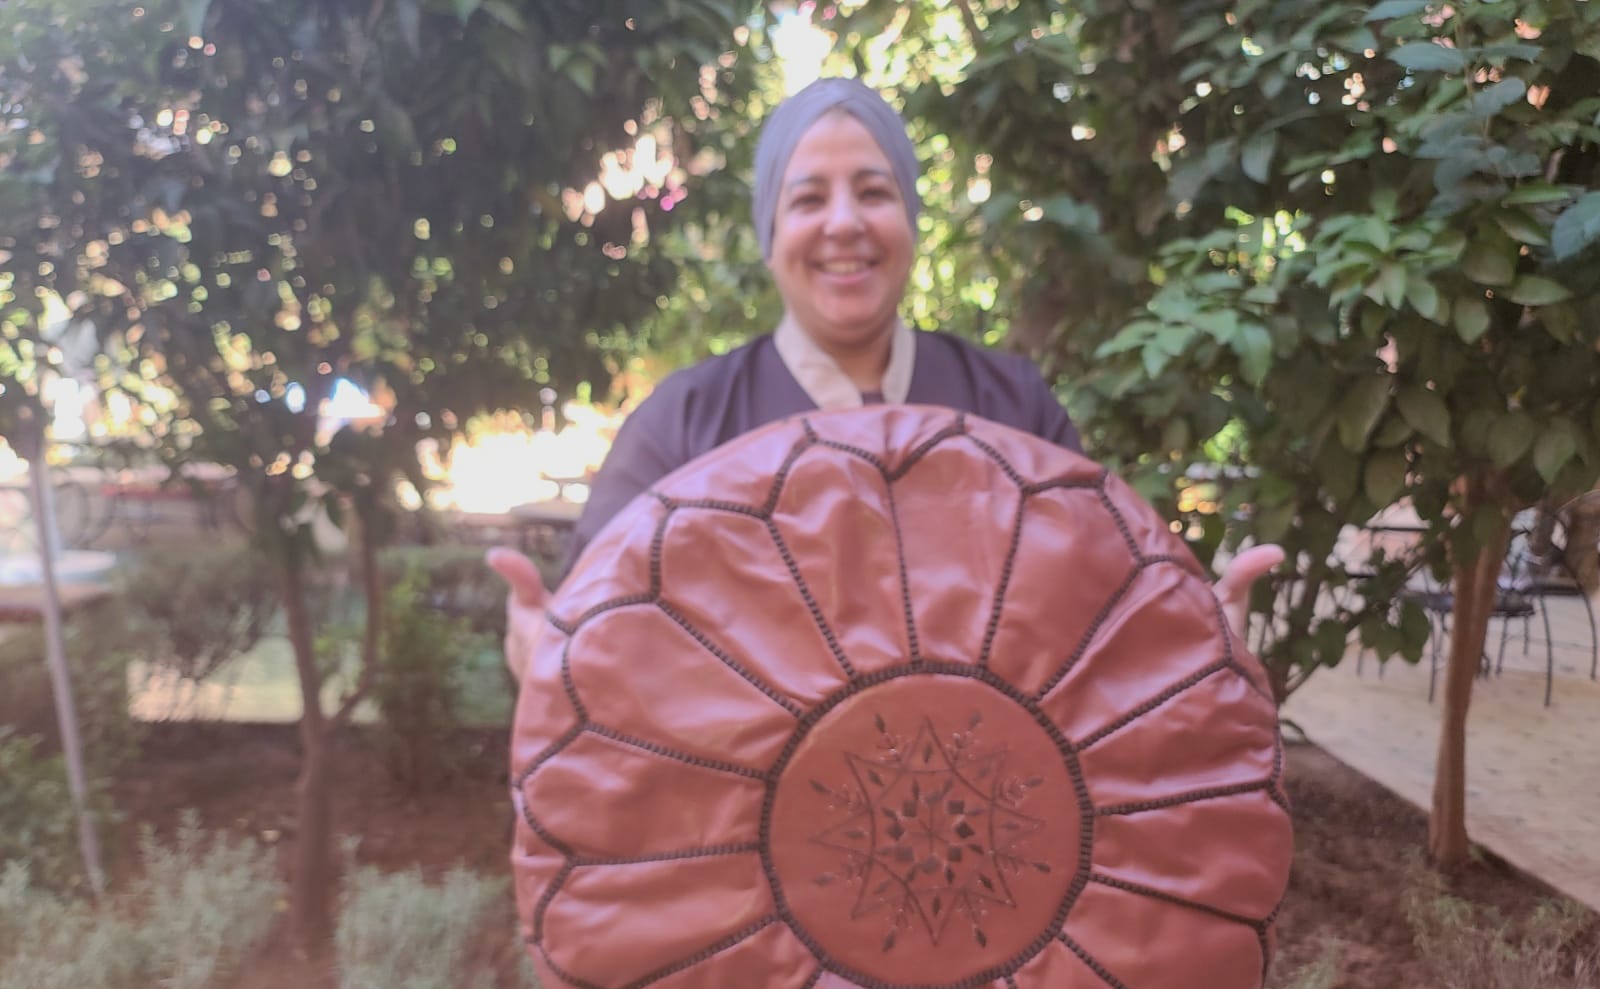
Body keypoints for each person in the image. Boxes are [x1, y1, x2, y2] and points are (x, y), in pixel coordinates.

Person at [488, 77, 1281, 679]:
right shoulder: (685, 423)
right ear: (770, 235)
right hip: (742, 863)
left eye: (874, 192)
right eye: (807, 199)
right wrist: (541, 650)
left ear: (908, 223)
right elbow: (598, 636)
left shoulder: (1012, 407)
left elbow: (1094, 621)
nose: (844, 223)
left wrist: (1184, 644)